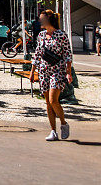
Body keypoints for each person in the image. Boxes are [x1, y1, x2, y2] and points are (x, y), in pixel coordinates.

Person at [29, 10, 73, 142]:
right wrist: (33, 71)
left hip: (57, 71)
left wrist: (68, 72)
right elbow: (37, 54)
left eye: (42, 19)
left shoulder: (61, 35)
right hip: (44, 71)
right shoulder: (41, 35)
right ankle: (53, 130)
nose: (40, 22)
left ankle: (64, 123)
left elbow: (67, 55)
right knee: (48, 102)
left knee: (54, 100)